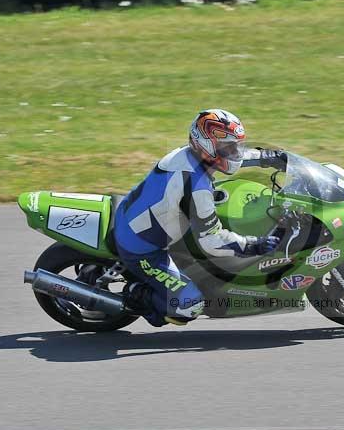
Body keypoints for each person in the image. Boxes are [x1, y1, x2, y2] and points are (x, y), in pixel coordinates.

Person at [113, 109, 285, 327]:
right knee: (189, 304)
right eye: (228, 147)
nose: (234, 152)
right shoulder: (196, 186)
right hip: (142, 247)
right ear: (207, 146)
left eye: (236, 145)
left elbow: (233, 157)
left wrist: (269, 157)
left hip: (142, 216)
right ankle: (138, 294)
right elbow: (211, 241)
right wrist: (253, 245)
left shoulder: (188, 155)